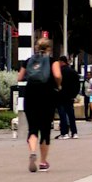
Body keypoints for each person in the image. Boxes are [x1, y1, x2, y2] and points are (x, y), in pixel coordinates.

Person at [17, 34, 61, 172]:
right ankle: (43, 162)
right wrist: (58, 85)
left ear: (36, 47)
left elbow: (19, 77)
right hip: (47, 95)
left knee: (33, 127)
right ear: (49, 48)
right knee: (45, 128)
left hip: (30, 94)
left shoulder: (29, 60)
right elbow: (58, 75)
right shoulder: (52, 60)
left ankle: (32, 152)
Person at [57, 55, 80, 138]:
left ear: (61, 62)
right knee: (71, 115)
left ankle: (64, 133)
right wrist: (74, 95)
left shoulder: (58, 72)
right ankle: (74, 132)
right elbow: (77, 85)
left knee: (62, 115)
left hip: (60, 96)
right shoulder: (73, 72)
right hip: (70, 96)